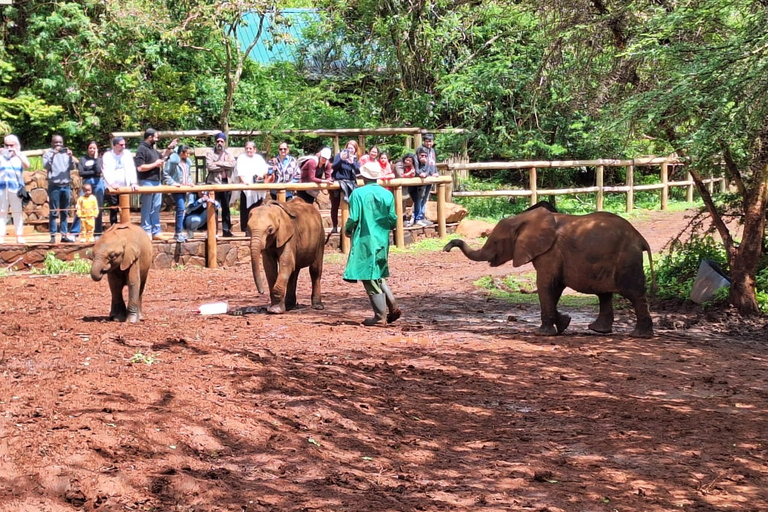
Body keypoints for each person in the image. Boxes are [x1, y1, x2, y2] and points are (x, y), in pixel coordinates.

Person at [343, 161, 401, 326]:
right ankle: (393, 304)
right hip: (382, 237)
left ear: (363, 176)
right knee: (377, 271)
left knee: (367, 274)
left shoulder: (357, 194)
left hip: (364, 238)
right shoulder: (387, 194)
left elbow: (353, 218)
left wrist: (347, 230)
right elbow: (392, 219)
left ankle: (380, 316)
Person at [135, 128, 178, 239]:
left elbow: (162, 157)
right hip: (146, 181)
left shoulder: (152, 150)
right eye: (156, 137)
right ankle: (146, 231)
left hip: (156, 181)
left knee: (156, 206)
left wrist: (170, 148)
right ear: (150, 137)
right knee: (147, 207)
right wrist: (155, 164)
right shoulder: (141, 149)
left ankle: (156, 231)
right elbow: (140, 167)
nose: (157, 139)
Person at [43, 134, 76, 243]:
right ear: (52, 143)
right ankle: (52, 235)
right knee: (53, 212)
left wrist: (71, 156)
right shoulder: (48, 154)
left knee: (64, 212)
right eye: (56, 142)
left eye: (60, 142)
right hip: (54, 186)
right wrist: (53, 155)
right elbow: (46, 166)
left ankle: (64, 235)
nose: (58, 144)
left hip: (66, 185)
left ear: (63, 143)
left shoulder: (66, 153)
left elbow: (72, 167)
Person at [0, 134, 31, 244]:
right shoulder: (1, 156)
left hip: (16, 188)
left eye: (11, 145)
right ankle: (1, 236)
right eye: (6, 145)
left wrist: (17, 154)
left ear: (17, 145)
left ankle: (19, 235)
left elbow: (27, 165)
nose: (9, 148)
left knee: (17, 212)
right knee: (2, 212)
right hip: (2, 188)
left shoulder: (20, 156)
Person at [70, 141, 105, 238]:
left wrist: (96, 158)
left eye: (94, 148)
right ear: (87, 149)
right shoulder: (83, 159)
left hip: (98, 183)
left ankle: (97, 232)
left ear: (97, 149)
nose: (92, 150)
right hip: (87, 183)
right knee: (81, 205)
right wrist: (93, 172)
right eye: (90, 148)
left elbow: (98, 171)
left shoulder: (99, 159)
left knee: (98, 207)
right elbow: (81, 173)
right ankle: (74, 232)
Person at [233, 140, 269, 233]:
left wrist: (260, 175)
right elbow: (239, 171)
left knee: (256, 209)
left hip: (257, 188)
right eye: (247, 148)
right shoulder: (241, 157)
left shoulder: (259, 158)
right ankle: (246, 230)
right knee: (245, 210)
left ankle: (256, 229)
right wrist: (244, 182)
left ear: (255, 149)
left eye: (250, 148)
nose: (249, 150)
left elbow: (265, 169)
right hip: (246, 188)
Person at [102, 137, 139, 226]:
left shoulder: (127, 154)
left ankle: (125, 226)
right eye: (121, 145)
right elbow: (105, 170)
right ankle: (113, 227)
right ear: (115, 145)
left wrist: (133, 182)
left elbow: (131, 168)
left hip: (125, 186)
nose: (124, 146)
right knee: (114, 208)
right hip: (112, 187)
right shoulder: (107, 155)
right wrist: (111, 183)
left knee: (125, 207)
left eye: (124, 144)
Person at [205, 132, 236, 237]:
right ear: (215, 142)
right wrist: (225, 166)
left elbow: (232, 164)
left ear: (224, 142)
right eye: (218, 141)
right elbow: (210, 167)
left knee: (226, 207)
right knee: (214, 207)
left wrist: (218, 163)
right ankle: (214, 231)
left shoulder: (228, 153)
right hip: (214, 183)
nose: (219, 143)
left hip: (226, 183)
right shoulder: (210, 153)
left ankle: (226, 231)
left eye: (221, 141)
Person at [162, 144, 194, 242]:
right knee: (181, 208)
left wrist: (189, 182)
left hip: (184, 189)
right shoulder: (173, 162)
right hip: (176, 189)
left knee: (183, 209)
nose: (188, 155)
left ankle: (179, 232)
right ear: (181, 153)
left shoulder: (187, 162)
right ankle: (178, 232)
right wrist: (173, 183)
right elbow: (165, 174)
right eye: (187, 153)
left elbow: (187, 175)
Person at [329, 139, 360, 233]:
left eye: (352, 148)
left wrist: (352, 163)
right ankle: (334, 226)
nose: (350, 150)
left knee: (351, 205)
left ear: (355, 150)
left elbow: (358, 171)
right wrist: (341, 160)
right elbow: (333, 166)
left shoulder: (355, 158)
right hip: (338, 183)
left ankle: (350, 226)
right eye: (349, 147)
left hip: (350, 183)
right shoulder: (340, 155)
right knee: (335, 205)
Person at [410, 133, 439, 226]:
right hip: (421, 178)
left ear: (433, 142)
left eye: (430, 141)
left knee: (425, 198)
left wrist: (435, 172)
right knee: (419, 198)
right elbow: (416, 163)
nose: (429, 143)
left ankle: (422, 216)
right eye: (427, 141)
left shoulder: (433, 151)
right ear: (424, 141)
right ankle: (417, 217)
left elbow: (433, 163)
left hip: (430, 177)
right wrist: (419, 173)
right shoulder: (421, 150)